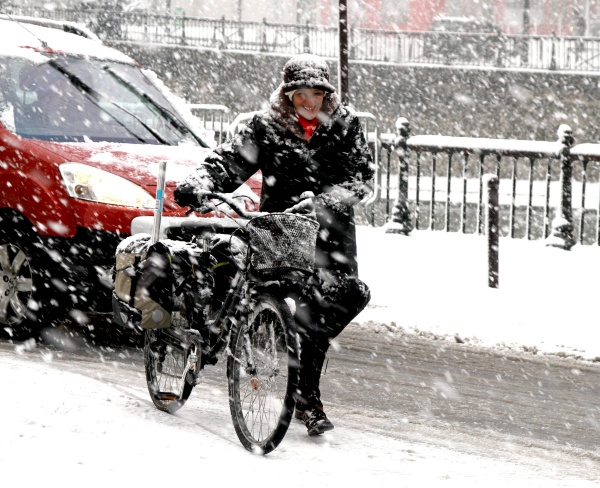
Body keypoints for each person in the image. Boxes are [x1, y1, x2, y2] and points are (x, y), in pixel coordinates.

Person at [174, 53, 373, 436]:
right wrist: (200, 181)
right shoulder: (265, 126)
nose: (310, 102)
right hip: (280, 229)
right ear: (287, 94)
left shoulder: (346, 126)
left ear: (328, 94)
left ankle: (304, 385)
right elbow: (229, 162)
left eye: (318, 93)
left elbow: (361, 179)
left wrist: (324, 201)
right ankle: (305, 394)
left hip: (332, 235)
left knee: (345, 296)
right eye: (302, 94)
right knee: (269, 294)